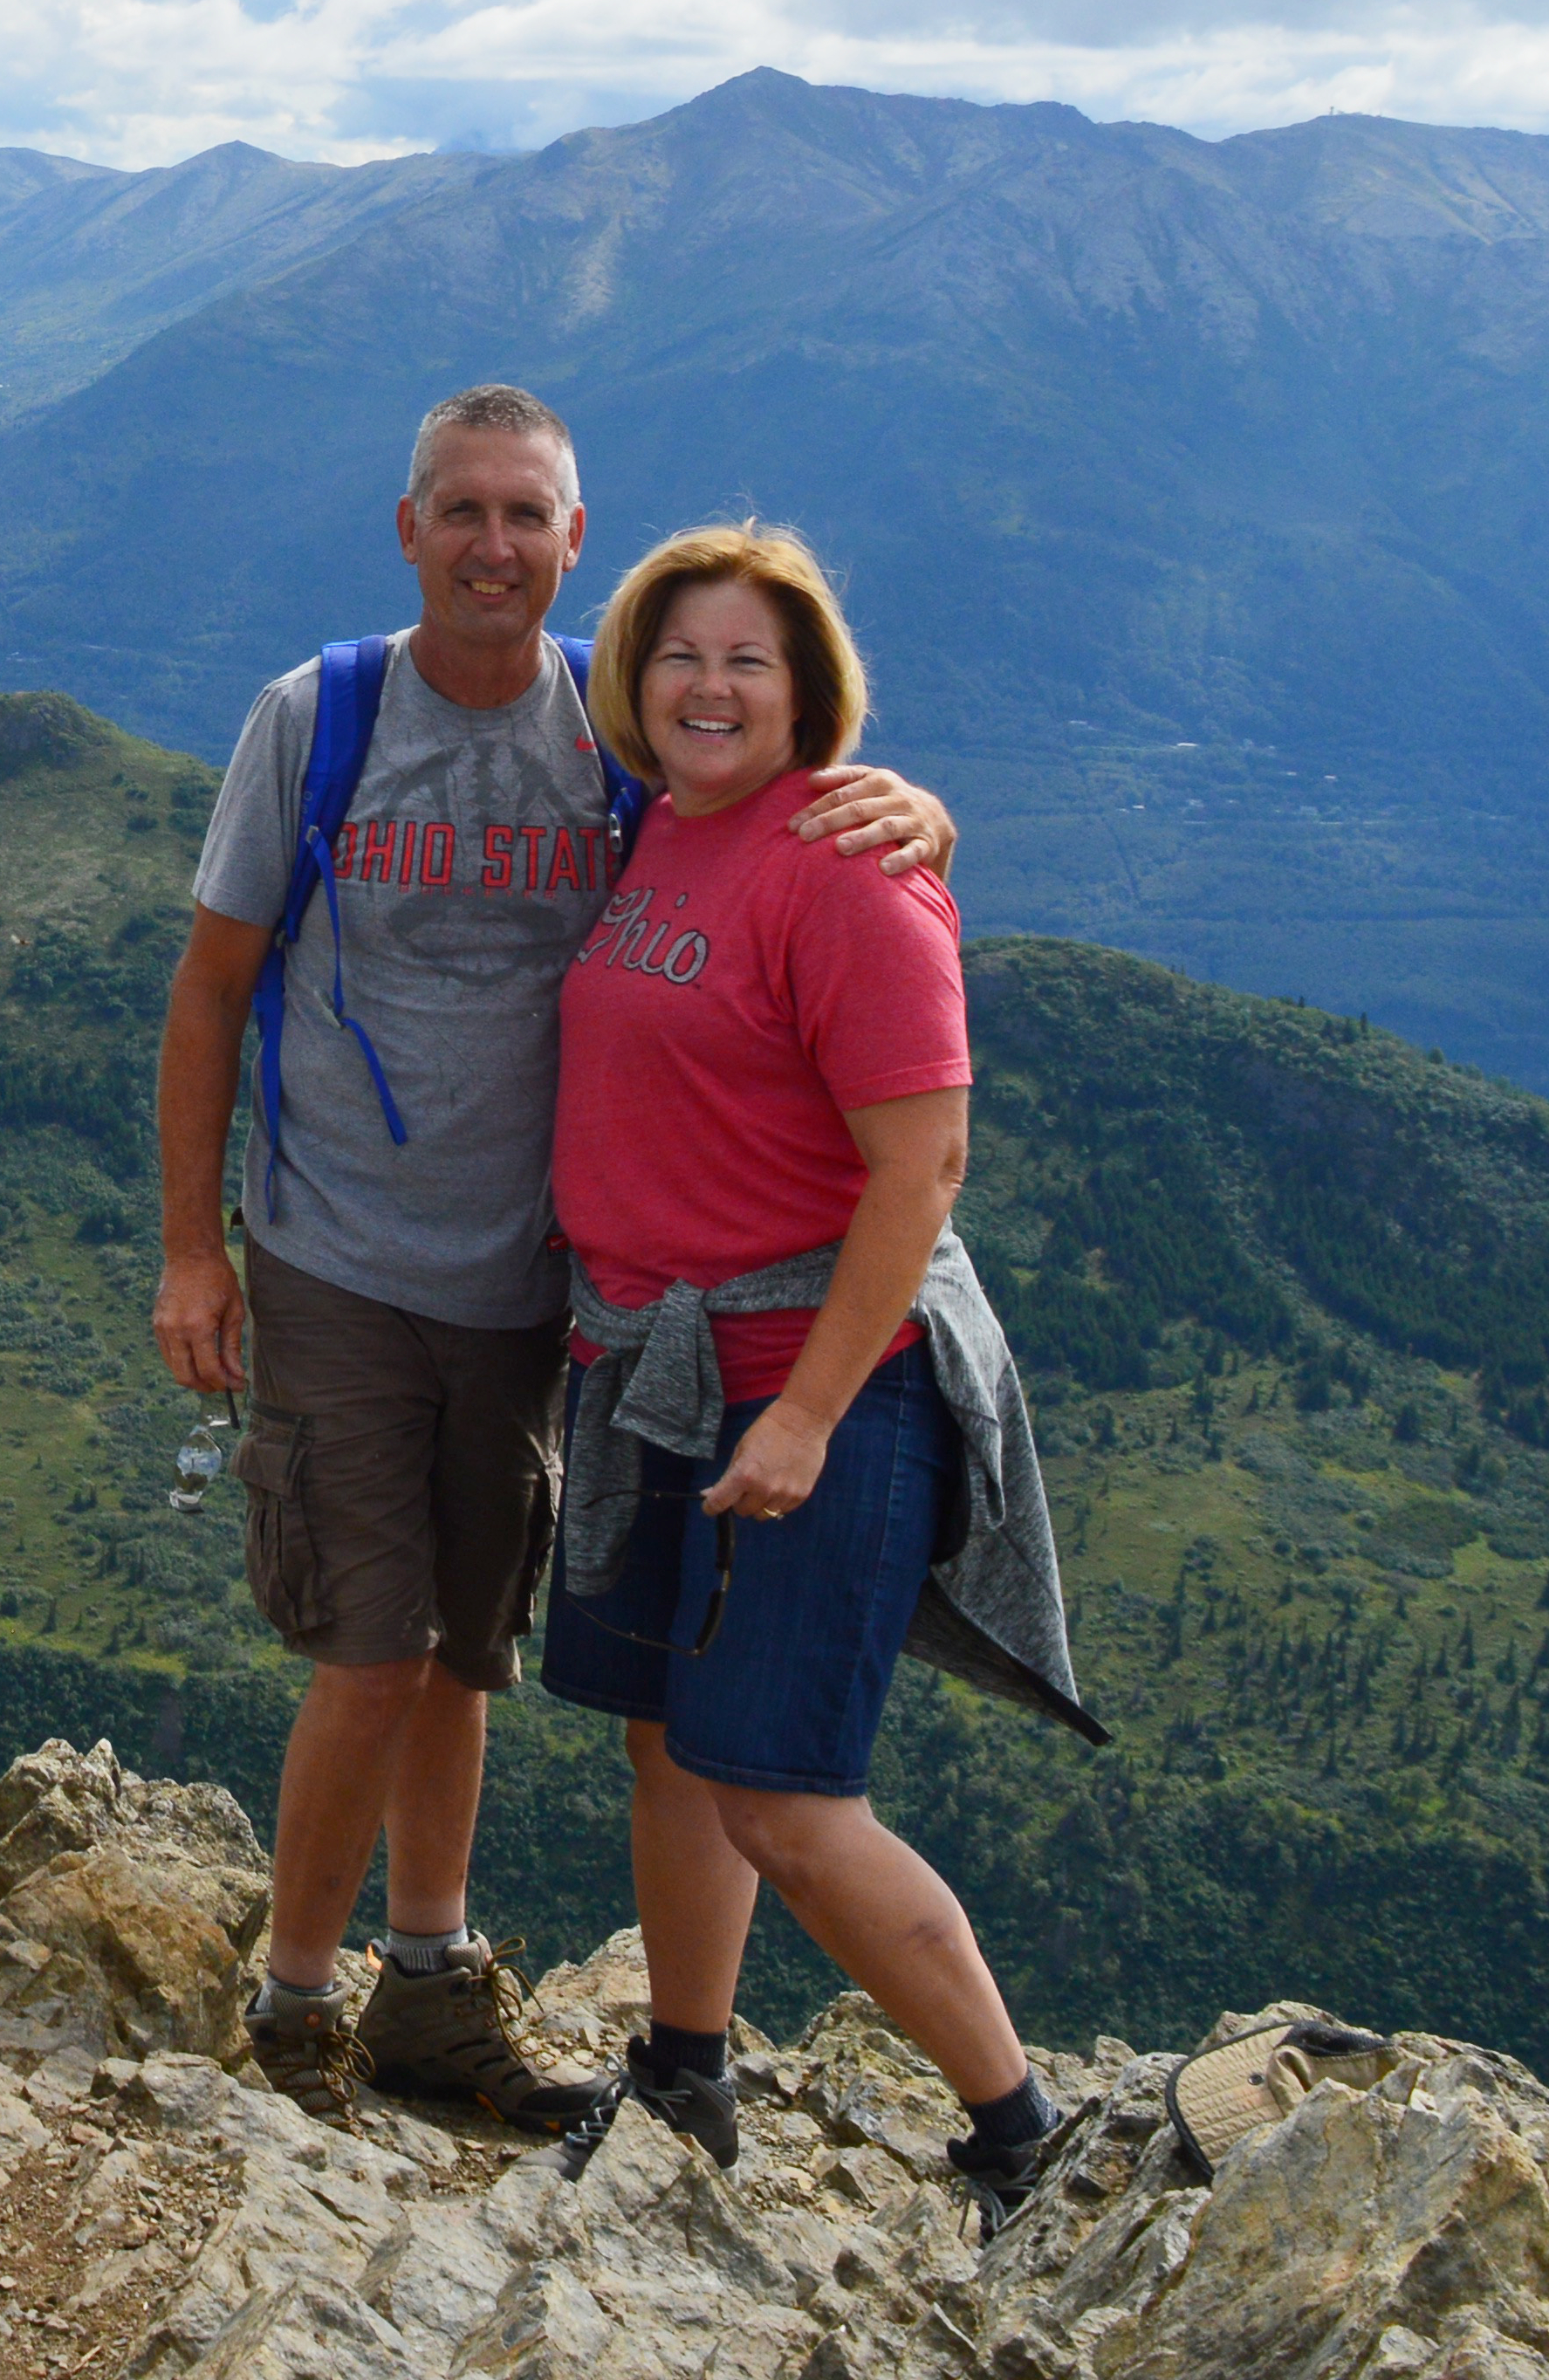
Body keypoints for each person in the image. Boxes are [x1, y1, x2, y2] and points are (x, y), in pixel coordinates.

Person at [154, 389, 954, 2130]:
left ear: (571, 540)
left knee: (463, 1652)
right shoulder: (317, 718)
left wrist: (909, 807)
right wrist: (187, 1252)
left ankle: (425, 1982)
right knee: (368, 1651)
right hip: (336, 1255)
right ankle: (296, 2002)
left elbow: (772, 812)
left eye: (525, 514)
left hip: (539, 1289)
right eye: (462, 510)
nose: (493, 544)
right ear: (407, 525)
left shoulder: (615, 732)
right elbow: (209, 982)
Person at [535, 522, 1103, 2213]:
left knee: (780, 1789)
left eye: (747, 663)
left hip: (807, 1379)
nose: (706, 687)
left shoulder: (847, 866)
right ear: (633, 677)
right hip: (648, 1361)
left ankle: (1020, 2132)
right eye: (678, 656)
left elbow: (919, 1170)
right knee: (666, 1741)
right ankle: (683, 2069)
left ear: (808, 694)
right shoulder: (661, 829)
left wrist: (802, 1410)